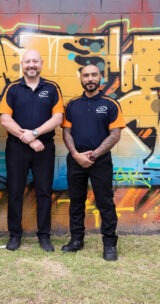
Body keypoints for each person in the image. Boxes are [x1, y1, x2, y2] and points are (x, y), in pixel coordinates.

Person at [0, 49, 64, 252]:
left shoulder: (52, 88)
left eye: (35, 61)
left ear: (41, 63)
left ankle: (44, 236)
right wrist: (25, 138)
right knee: (15, 191)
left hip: (44, 147)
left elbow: (58, 118)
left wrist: (34, 134)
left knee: (44, 192)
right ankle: (14, 236)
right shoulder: (12, 88)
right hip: (17, 148)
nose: (31, 65)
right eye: (28, 62)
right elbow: (5, 119)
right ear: (22, 64)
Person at [61, 64, 125, 261]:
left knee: (105, 202)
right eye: (86, 75)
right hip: (75, 160)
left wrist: (94, 155)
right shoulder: (72, 105)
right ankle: (76, 240)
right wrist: (76, 154)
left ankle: (109, 244)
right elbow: (66, 132)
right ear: (81, 78)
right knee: (76, 201)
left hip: (101, 162)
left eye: (94, 75)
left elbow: (115, 135)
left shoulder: (111, 104)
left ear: (100, 78)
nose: (90, 78)